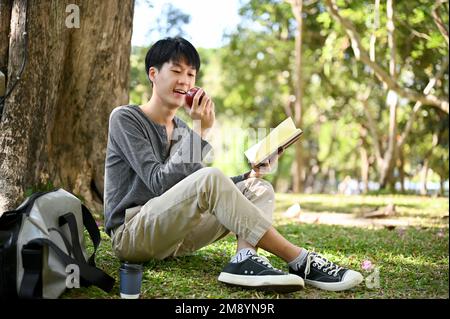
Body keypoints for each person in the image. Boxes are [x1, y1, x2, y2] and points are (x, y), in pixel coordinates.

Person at [103, 36, 363, 293]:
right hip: (132, 235)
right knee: (209, 176)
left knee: (258, 188)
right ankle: (300, 260)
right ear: (153, 74)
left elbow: (196, 189)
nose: (185, 81)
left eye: (191, 75)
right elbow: (159, 183)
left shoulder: (182, 129)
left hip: (174, 238)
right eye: (176, 71)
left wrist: (250, 175)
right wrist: (199, 132)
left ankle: (245, 259)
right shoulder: (126, 118)